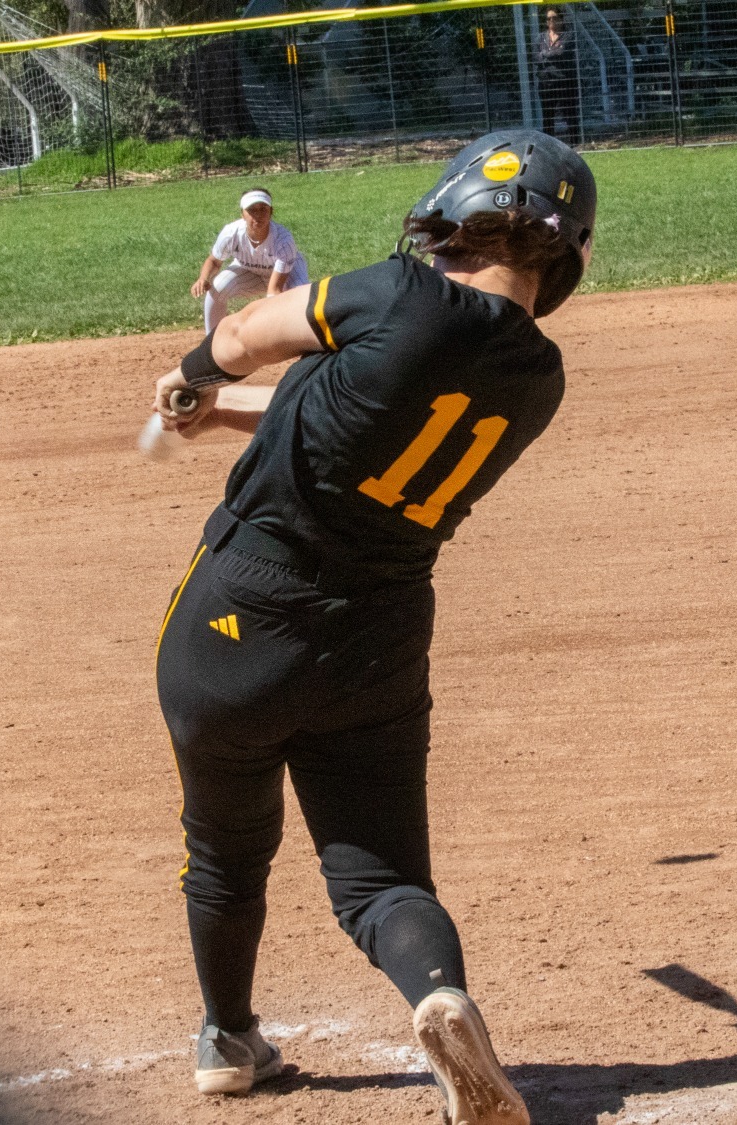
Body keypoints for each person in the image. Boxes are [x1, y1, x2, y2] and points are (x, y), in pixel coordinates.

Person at [147, 129, 596, 1124]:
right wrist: (219, 414)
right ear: (564, 256)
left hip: (240, 612)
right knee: (379, 876)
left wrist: (190, 371)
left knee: (225, 849)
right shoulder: (536, 377)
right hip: (376, 635)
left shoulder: (397, 293)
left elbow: (247, 335)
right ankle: (439, 995)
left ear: (452, 213)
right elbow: (346, 408)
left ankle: (226, 1038)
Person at [192, 188, 310, 334]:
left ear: (271, 211)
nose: (258, 215)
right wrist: (203, 278)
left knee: (303, 299)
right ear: (242, 214)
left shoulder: (283, 241)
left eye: (263, 209)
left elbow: (274, 291)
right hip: (249, 272)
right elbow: (214, 261)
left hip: (287, 275)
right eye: (251, 210)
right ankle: (211, 342)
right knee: (217, 287)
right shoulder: (231, 233)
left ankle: (306, 341)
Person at [535, 8, 582, 145]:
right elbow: (535, 56)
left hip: (565, 82)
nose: (551, 21)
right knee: (548, 116)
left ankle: (574, 144)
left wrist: (545, 54)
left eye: (554, 18)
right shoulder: (540, 37)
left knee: (569, 114)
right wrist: (551, 54)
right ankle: (548, 146)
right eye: (548, 19)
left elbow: (562, 53)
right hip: (546, 83)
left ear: (561, 19)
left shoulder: (568, 35)